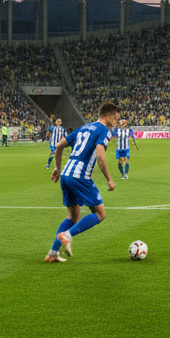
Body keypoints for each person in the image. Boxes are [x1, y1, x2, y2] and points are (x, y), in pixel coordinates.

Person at [47, 102, 119, 263]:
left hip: (66, 173)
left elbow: (59, 146)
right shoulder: (104, 131)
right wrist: (109, 179)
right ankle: (67, 235)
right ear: (107, 116)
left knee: (73, 215)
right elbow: (100, 157)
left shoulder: (84, 128)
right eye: (115, 119)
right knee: (100, 214)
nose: (116, 122)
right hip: (80, 176)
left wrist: (57, 168)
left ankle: (53, 253)